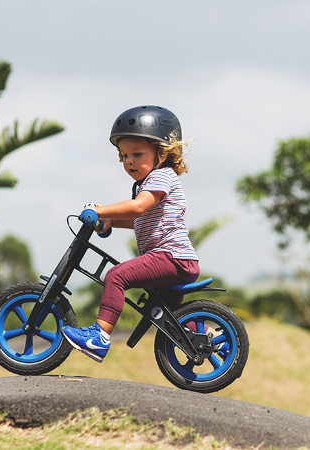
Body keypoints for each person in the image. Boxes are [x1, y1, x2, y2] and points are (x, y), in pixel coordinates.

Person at [61, 105, 199, 363]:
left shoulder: (160, 177)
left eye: (137, 154)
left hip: (170, 257)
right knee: (170, 316)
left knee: (116, 275)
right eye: (123, 155)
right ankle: (204, 339)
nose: (129, 161)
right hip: (176, 259)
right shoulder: (149, 183)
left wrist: (99, 210)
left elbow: (137, 207)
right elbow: (139, 218)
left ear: (161, 153)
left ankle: (99, 337)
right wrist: (110, 221)